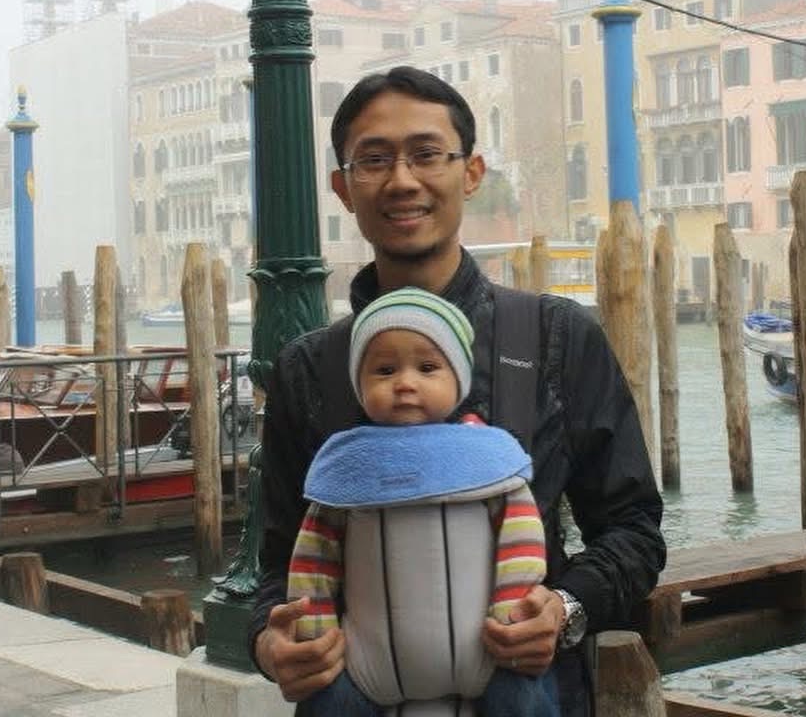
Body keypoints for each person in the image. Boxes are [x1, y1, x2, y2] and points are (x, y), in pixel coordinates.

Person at [250, 65, 666, 716]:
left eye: (426, 154)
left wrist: (564, 608)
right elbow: (279, 561)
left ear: (470, 173)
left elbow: (633, 530)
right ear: (343, 187)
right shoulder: (306, 369)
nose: (402, 180)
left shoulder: (557, 338)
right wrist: (270, 645)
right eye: (374, 160)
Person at [287, 286, 559, 716]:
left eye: (428, 367)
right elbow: (314, 555)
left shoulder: (486, 457)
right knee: (327, 700)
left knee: (525, 698)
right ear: (359, 385)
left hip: (493, 654)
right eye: (384, 370)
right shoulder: (347, 466)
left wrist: (514, 612)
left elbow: (520, 533)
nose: (405, 383)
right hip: (364, 669)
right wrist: (314, 634)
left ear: (459, 379)